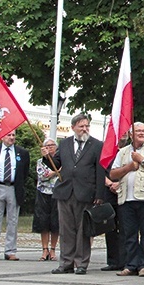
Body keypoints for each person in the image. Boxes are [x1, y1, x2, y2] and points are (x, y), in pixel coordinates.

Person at [42, 113, 106, 275]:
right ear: (73, 128)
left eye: (86, 126)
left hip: (86, 192)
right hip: (65, 191)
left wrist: (99, 194)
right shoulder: (64, 144)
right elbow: (56, 164)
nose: (84, 129)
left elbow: (100, 171)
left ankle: (81, 263)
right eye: (81, 126)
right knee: (66, 229)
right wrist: (47, 157)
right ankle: (66, 262)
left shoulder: (97, 145)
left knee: (83, 229)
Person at [111, 122, 144, 277]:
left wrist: (142, 160)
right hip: (126, 198)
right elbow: (113, 174)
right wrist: (128, 167)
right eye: (138, 131)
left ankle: (143, 265)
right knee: (129, 233)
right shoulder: (122, 152)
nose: (141, 133)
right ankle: (131, 264)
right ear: (130, 134)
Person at [0, 131, 30, 261]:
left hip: (14, 188)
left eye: (13, 135)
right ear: (2, 137)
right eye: (9, 135)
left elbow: (25, 172)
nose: (11, 138)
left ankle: (10, 251)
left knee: (13, 220)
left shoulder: (22, 153)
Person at [101, 132, 128, 272]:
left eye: (125, 134)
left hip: (125, 193)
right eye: (120, 135)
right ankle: (112, 261)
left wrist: (119, 184)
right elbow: (101, 170)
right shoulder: (106, 152)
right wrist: (110, 183)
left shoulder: (130, 151)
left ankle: (124, 261)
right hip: (109, 194)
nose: (122, 137)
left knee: (124, 228)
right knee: (110, 228)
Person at [32, 138, 60, 261]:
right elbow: (43, 176)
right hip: (43, 192)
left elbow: (63, 175)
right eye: (47, 146)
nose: (50, 147)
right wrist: (55, 172)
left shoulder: (61, 160)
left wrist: (55, 172)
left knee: (55, 222)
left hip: (57, 193)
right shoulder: (41, 161)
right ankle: (44, 249)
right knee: (43, 221)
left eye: (52, 145)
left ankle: (53, 249)